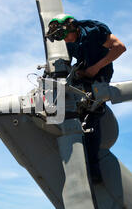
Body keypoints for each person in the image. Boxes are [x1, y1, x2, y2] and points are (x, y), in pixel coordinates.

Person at [47, 14, 126, 182]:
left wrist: (96, 68)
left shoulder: (93, 31)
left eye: (64, 36)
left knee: (92, 117)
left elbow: (119, 47)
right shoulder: (69, 42)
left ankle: (94, 168)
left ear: (72, 28)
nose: (65, 41)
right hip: (83, 73)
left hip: (99, 76)